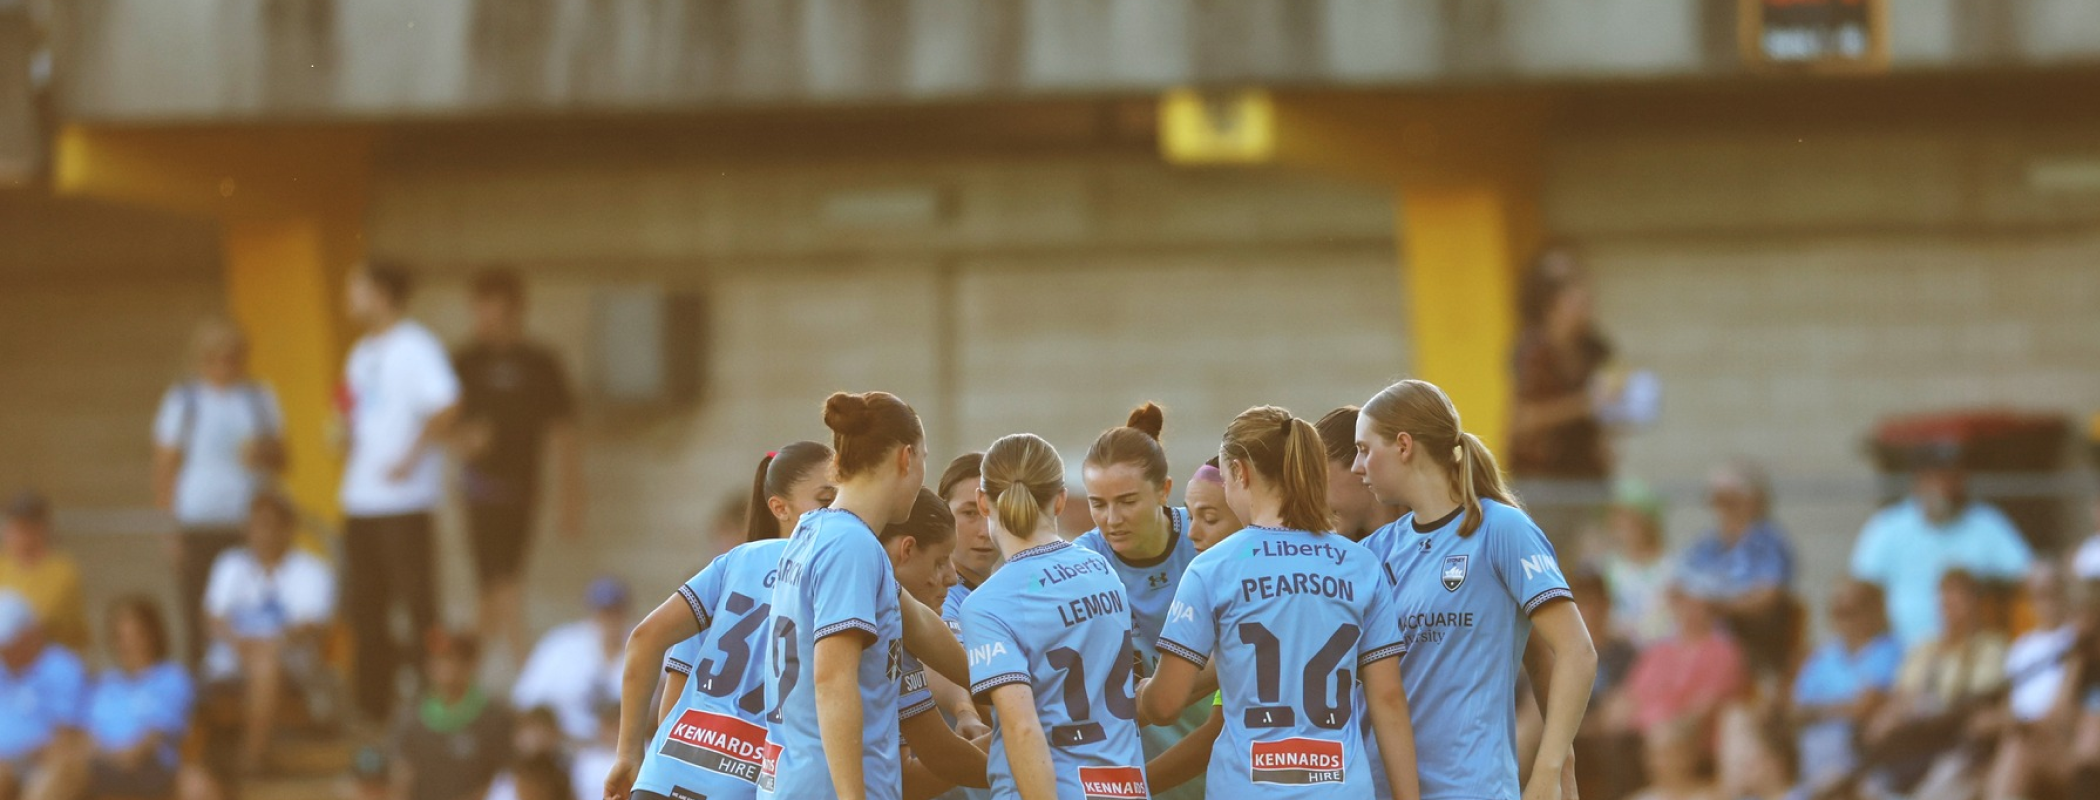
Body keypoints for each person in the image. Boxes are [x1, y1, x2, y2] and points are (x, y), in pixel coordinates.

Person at [1140, 405, 1418, 799]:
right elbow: (1388, 699)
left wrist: (1143, 694)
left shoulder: (1213, 568)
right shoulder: (1360, 564)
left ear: (1240, 472)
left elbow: (1166, 704)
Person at [1354, 379, 1596, 800]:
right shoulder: (1374, 551)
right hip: (1377, 789)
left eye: (1364, 449)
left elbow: (1577, 652)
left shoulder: (1502, 529)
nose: (1358, 467)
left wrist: (1550, 768)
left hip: (1470, 788)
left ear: (1404, 445)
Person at [760, 391, 963, 800]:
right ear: (906, 458)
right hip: (830, 789)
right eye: (924, 457)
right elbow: (832, 680)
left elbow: (919, 624)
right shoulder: (850, 545)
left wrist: (1005, 688)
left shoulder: (816, 527)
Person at [605, 443, 832, 800]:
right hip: (745, 783)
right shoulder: (834, 578)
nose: (835, 514)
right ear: (780, 507)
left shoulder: (734, 563)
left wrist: (630, 756)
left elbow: (651, 649)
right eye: (825, 500)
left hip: (664, 775)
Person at [949, 433, 1146, 799]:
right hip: (1126, 788)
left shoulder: (987, 603)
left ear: (982, 501)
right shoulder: (1101, 569)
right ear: (1059, 500)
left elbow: (1022, 729)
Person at [339, 261, 461, 724]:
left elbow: (448, 404)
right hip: (361, 499)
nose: (349, 297)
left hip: (405, 503)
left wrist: (411, 456)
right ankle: (373, 707)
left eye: (358, 287)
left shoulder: (416, 346)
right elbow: (357, 411)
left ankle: (432, 700)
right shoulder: (359, 352)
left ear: (383, 293)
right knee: (365, 609)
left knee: (417, 607)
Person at [1069, 403, 1203, 800]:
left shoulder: (1207, 545)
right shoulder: (1080, 566)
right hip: (1129, 784)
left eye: (1127, 501)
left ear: (1164, 490)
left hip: (1220, 772)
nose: (1112, 519)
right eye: (1098, 504)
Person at [453, 269, 585, 666]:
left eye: (492, 310)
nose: (484, 319)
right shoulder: (465, 361)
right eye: (479, 309)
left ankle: (467, 676)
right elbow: (440, 423)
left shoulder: (540, 363)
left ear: (514, 311)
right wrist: (465, 439)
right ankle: (523, 670)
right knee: (500, 584)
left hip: (522, 491)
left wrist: (571, 496)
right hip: (479, 491)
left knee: (497, 587)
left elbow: (564, 435)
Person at [152, 317, 288, 667]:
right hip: (198, 520)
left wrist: (262, 454)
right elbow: (165, 466)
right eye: (217, 358)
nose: (226, 366)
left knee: (250, 607)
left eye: (233, 357)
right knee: (199, 609)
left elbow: (285, 458)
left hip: (248, 522)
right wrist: (169, 526)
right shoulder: (184, 400)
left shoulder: (259, 398)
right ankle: (204, 688)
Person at [203, 491, 338, 773]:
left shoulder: (312, 570)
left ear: (287, 528)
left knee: (265, 664)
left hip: (291, 665)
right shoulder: (229, 564)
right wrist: (238, 643)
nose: (260, 533)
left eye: (267, 524)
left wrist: (270, 644)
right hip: (231, 661)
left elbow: (313, 625)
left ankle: (250, 760)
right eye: (254, 524)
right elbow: (211, 616)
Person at [1131, 460, 1242, 795]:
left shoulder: (1239, 594)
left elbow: (1168, 704)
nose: (1192, 533)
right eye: (1190, 516)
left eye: (1209, 518)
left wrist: (1127, 788)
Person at [1850, 449, 2032, 647]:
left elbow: (2026, 574)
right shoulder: (1887, 527)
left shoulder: (1986, 523)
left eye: (1953, 477)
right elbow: (1860, 588)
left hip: (1968, 653)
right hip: (1899, 654)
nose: (1946, 486)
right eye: (1936, 477)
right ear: (1918, 481)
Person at [880, 489, 992, 800]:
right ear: (907, 549)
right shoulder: (879, 623)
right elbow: (931, 766)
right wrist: (1030, 754)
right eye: (941, 561)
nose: (952, 577)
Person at [1507, 248, 1616, 552]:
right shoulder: (1533, 352)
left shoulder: (1594, 349)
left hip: (1588, 475)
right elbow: (1524, 420)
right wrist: (1584, 404)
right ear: (1550, 304)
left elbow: (1604, 405)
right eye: (1575, 298)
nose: (1585, 305)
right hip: (1544, 480)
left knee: (1593, 559)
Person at [1863, 570, 2008, 794]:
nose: (1948, 607)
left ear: (1974, 602)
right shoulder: (1925, 648)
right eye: (1944, 599)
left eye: (1956, 600)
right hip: (1911, 741)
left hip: (1953, 742)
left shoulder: (1989, 647)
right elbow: (1902, 695)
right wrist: (1887, 718)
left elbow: (1976, 703)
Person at [1677, 459, 1796, 677]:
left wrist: (1718, 608)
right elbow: (1679, 585)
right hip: (1700, 633)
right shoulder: (1707, 542)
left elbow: (1769, 596)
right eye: (1715, 500)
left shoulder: (1769, 542)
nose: (1720, 508)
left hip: (1748, 638)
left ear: (1754, 500)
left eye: (1728, 500)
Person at [1788, 579, 1902, 793]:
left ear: (1872, 612)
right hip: (1813, 753)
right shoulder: (1823, 657)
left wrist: (1818, 711)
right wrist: (1840, 709)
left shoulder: (1889, 650)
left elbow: (1863, 708)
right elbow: (1795, 711)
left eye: (1849, 611)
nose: (1842, 620)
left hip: (1861, 754)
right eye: (1835, 611)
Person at [1604, 575, 1749, 740]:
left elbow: (1706, 707)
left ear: (1710, 606)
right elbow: (1631, 694)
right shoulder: (1658, 650)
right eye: (1681, 600)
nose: (1687, 608)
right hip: (1641, 736)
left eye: (1695, 602)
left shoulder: (1724, 651)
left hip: (1685, 738)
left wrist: (1664, 727)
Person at [1982, 562, 2078, 800]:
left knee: (2017, 750)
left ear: (2065, 593)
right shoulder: (2022, 647)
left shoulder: (2075, 640)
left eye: (2051, 593)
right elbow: (2006, 707)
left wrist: (2023, 725)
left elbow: (2062, 714)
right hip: (2018, 735)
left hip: (2060, 742)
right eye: (2038, 595)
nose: (2046, 602)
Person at [84, 597, 194, 798]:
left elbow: (150, 741)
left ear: (152, 636)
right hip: (101, 768)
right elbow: (87, 738)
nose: (127, 644)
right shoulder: (106, 683)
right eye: (120, 637)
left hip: (149, 769)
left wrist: (117, 756)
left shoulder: (170, 678)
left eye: (135, 635)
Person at [390, 630, 512, 800]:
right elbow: (401, 778)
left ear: (470, 664)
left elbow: (503, 779)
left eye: (450, 658)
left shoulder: (494, 717)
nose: (442, 667)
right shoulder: (411, 717)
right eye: (437, 659)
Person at [512, 577, 631, 744]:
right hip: (567, 747)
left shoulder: (644, 644)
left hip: (623, 749)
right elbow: (526, 700)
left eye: (615, 611)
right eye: (604, 612)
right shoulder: (561, 645)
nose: (609, 619)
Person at [0, 591, 88, 800]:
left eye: (10, 642)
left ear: (31, 633)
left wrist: (17, 758)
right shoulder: (4, 668)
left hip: (42, 764)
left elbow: (66, 739)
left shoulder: (61, 667)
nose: (5, 650)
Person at [0, 491, 86, 652]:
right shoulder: (2, 567)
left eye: (24, 528)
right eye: (12, 526)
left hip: (52, 660)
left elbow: (41, 621)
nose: (15, 534)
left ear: (42, 529)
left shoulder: (62, 572)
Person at [1597, 479, 1674, 646]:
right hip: (1615, 649)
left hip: (1656, 649)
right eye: (1619, 518)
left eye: (1632, 519)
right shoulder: (1608, 567)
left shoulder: (1670, 568)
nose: (1624, 526)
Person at [1314, 406, 1402, 541]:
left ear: (1361, 463)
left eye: (1317, 479)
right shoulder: (1332, 553)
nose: (1310, 499)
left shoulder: (1437, 541)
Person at [1628, 718, 1719, 800]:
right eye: (1656, 755)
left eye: (1668, 754)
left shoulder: (1712, 795)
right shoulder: (1640, 798)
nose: (1661, 762)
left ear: (1688, 755)